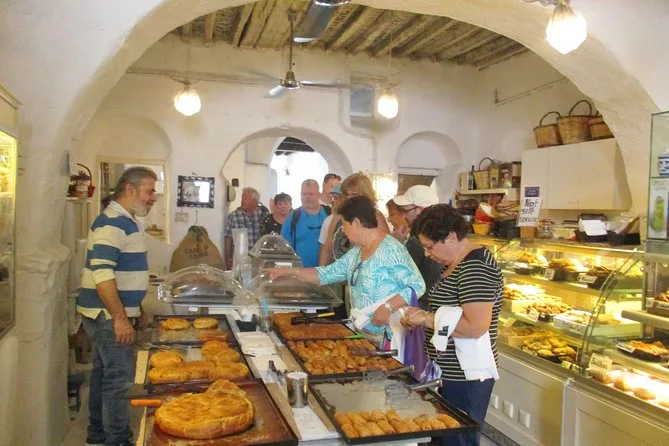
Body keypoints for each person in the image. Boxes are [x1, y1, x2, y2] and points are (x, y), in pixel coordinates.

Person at [402, 204, 503, 446]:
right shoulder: (455, 263)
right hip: (448, 371)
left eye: (429, 246)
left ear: (451, 236)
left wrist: (425, 318)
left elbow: (475, 326)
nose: (427, 254)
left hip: (466, 375)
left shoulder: (475, 267)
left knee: (459, 439)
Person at [76, 167, 158, 446]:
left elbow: (123, 273)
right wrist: (121, 318)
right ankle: (118, 440)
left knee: (103, 375)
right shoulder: (112, 222)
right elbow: (102, 273)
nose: (153, 197)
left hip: (109, 313)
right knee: (117, 381)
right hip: (107, 316)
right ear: (130, 190)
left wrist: (136, 308)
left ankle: (98, 433)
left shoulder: (125, 220)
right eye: (149, 191)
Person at [271, 196, 425, 342]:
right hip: (363, 333)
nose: (343, 230)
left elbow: (417, 286)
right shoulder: (357, 252)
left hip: (390, 339)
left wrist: (388, 307)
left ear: (356, 222)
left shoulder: (391, 249)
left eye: (344, 224)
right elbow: (326, 274)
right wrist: (290, 272)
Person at [392, 185, 443, 310]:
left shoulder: (418, 241)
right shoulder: (438, 233)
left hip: (422, 305)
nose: (403, 216)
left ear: (420, 210)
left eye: (405, 211)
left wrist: (397, 244)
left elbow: (401, 276)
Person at [280, 179, 331, 267]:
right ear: (300, 195)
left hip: (326, 271)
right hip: (299, 271)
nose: (308, 197)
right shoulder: (293, 217)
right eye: (304, 194)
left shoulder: (329, 215)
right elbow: (283, 247)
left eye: (311, 194)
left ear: (319, 195)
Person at [224, 187, 268, 270]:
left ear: (254, 201)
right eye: (242, 198)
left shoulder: (264, 215)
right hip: (241, 259)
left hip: (259, 259)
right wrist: (227, 260)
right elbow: (228, 238)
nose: (242, 201)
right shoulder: (234, 216)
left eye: (245, 199)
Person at [318, 184, 343, 266]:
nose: (336, 201)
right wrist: (321, 270)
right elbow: (325, 248)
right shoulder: (329, 220)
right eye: (334, 198)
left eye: (339, 198)